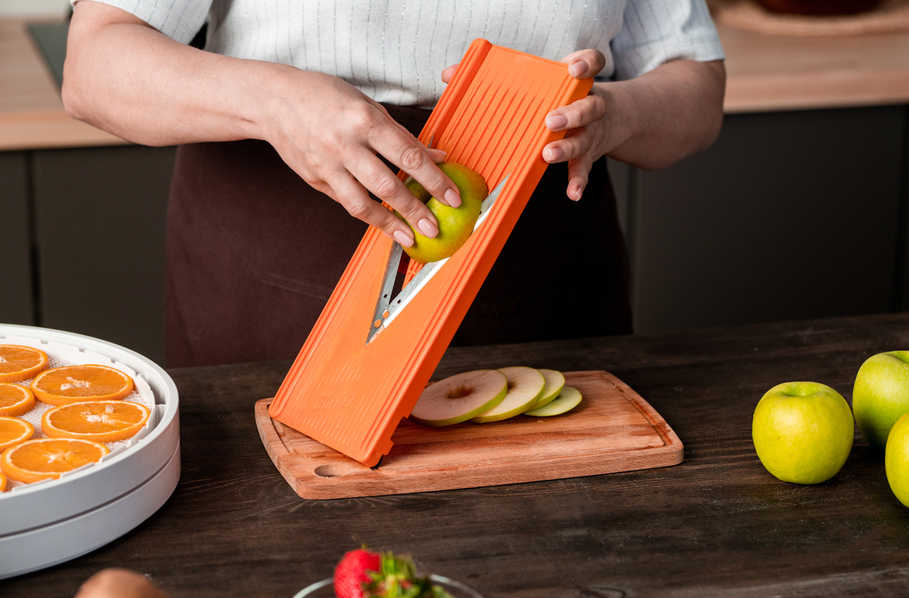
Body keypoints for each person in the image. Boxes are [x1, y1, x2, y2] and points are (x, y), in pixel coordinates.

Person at [62, 1, 726, 367]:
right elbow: (95, 63)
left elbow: (695, 81)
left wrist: (617, 115)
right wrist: (275, 101)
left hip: (546, 288)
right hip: (273, 277)